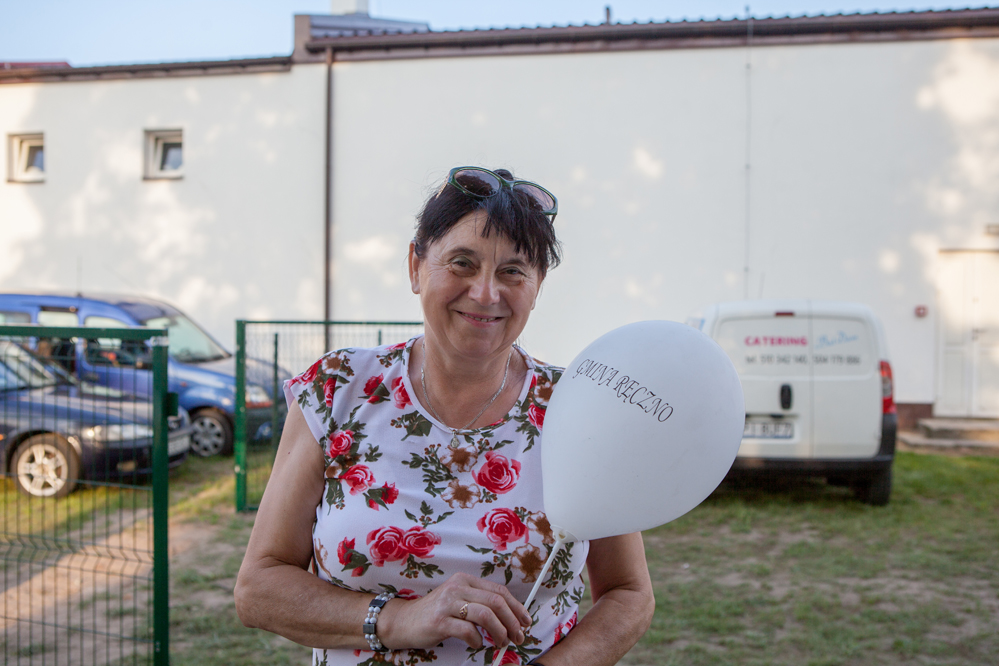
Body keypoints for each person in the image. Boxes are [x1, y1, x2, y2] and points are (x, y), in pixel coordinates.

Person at [235, 166, 654, 666]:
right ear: (416, 266)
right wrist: (398, 619)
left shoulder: (578, 408)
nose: (485, 293)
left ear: (538, 285)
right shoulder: (338, 389)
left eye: (513, 271)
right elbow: (259, 588)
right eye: (462, 263)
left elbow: (629, 593)